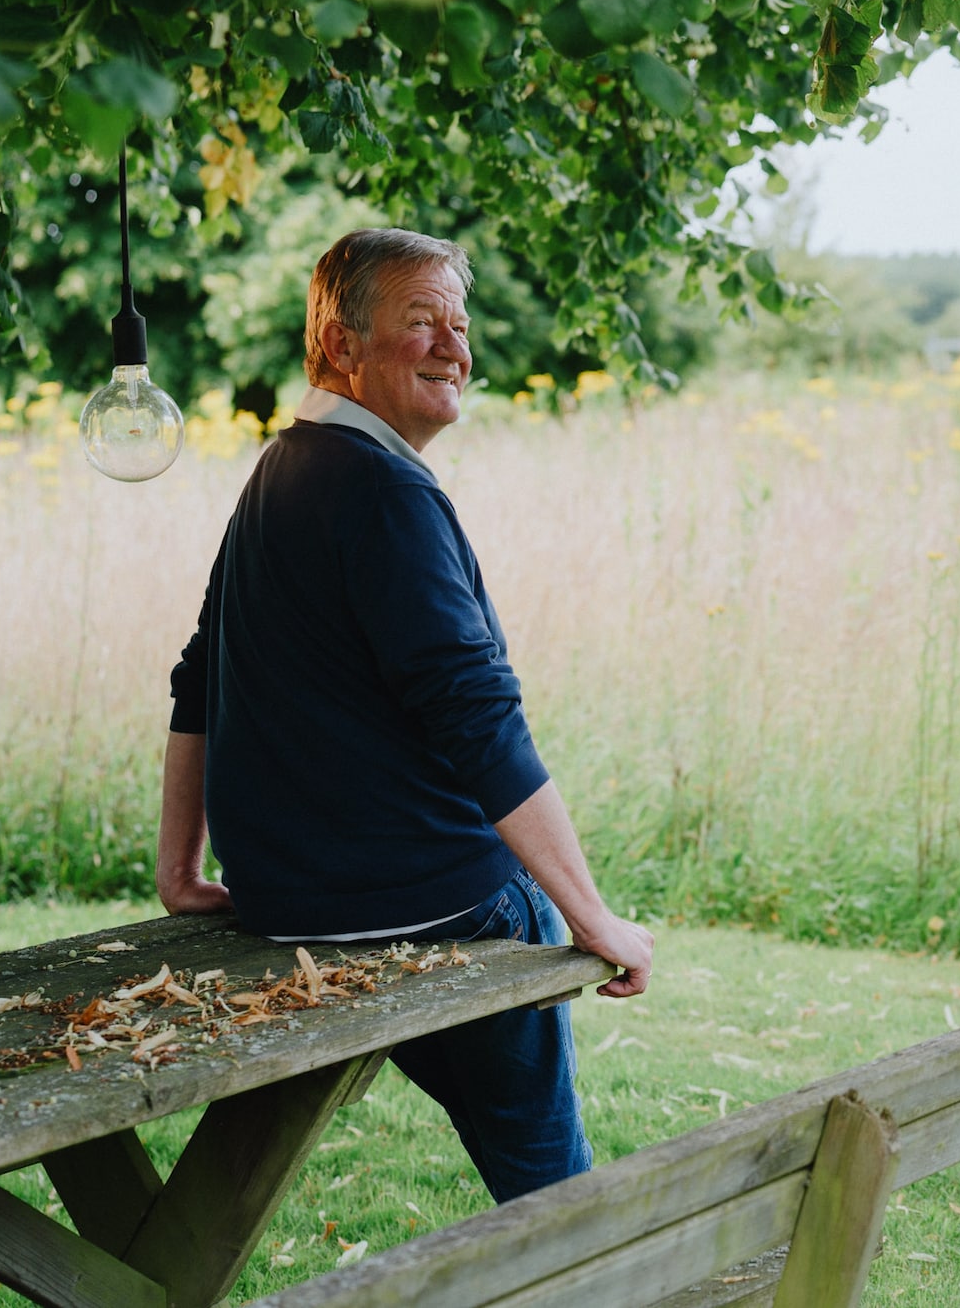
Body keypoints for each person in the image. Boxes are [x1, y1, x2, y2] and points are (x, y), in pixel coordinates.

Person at [155, 225, 653, 1203]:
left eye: (459, 325)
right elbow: (475, 715)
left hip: (297, 908)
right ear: (341, 345)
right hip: (431, 908)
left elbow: (197, 674)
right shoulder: (383, 490)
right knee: (550, 1185)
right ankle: (581, 1252)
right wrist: (593, 918)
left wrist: (179, 871)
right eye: (422, 321)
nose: (453, 346)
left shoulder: (282, 469)